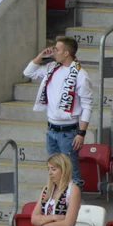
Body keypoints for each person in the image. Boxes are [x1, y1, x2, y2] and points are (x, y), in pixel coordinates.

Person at [25, 37, 90, 176]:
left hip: (69, 132)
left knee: (71, 172)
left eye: (57, 49)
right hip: (51, 129)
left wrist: (81, 133)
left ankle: (73, 198)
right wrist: (41, 56)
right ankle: (57, 198)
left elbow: (87, 105)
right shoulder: (51, 68)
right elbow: (28, 72)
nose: (54, 52)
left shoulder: (80, 75)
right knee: (54, 172)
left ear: (66, 53)